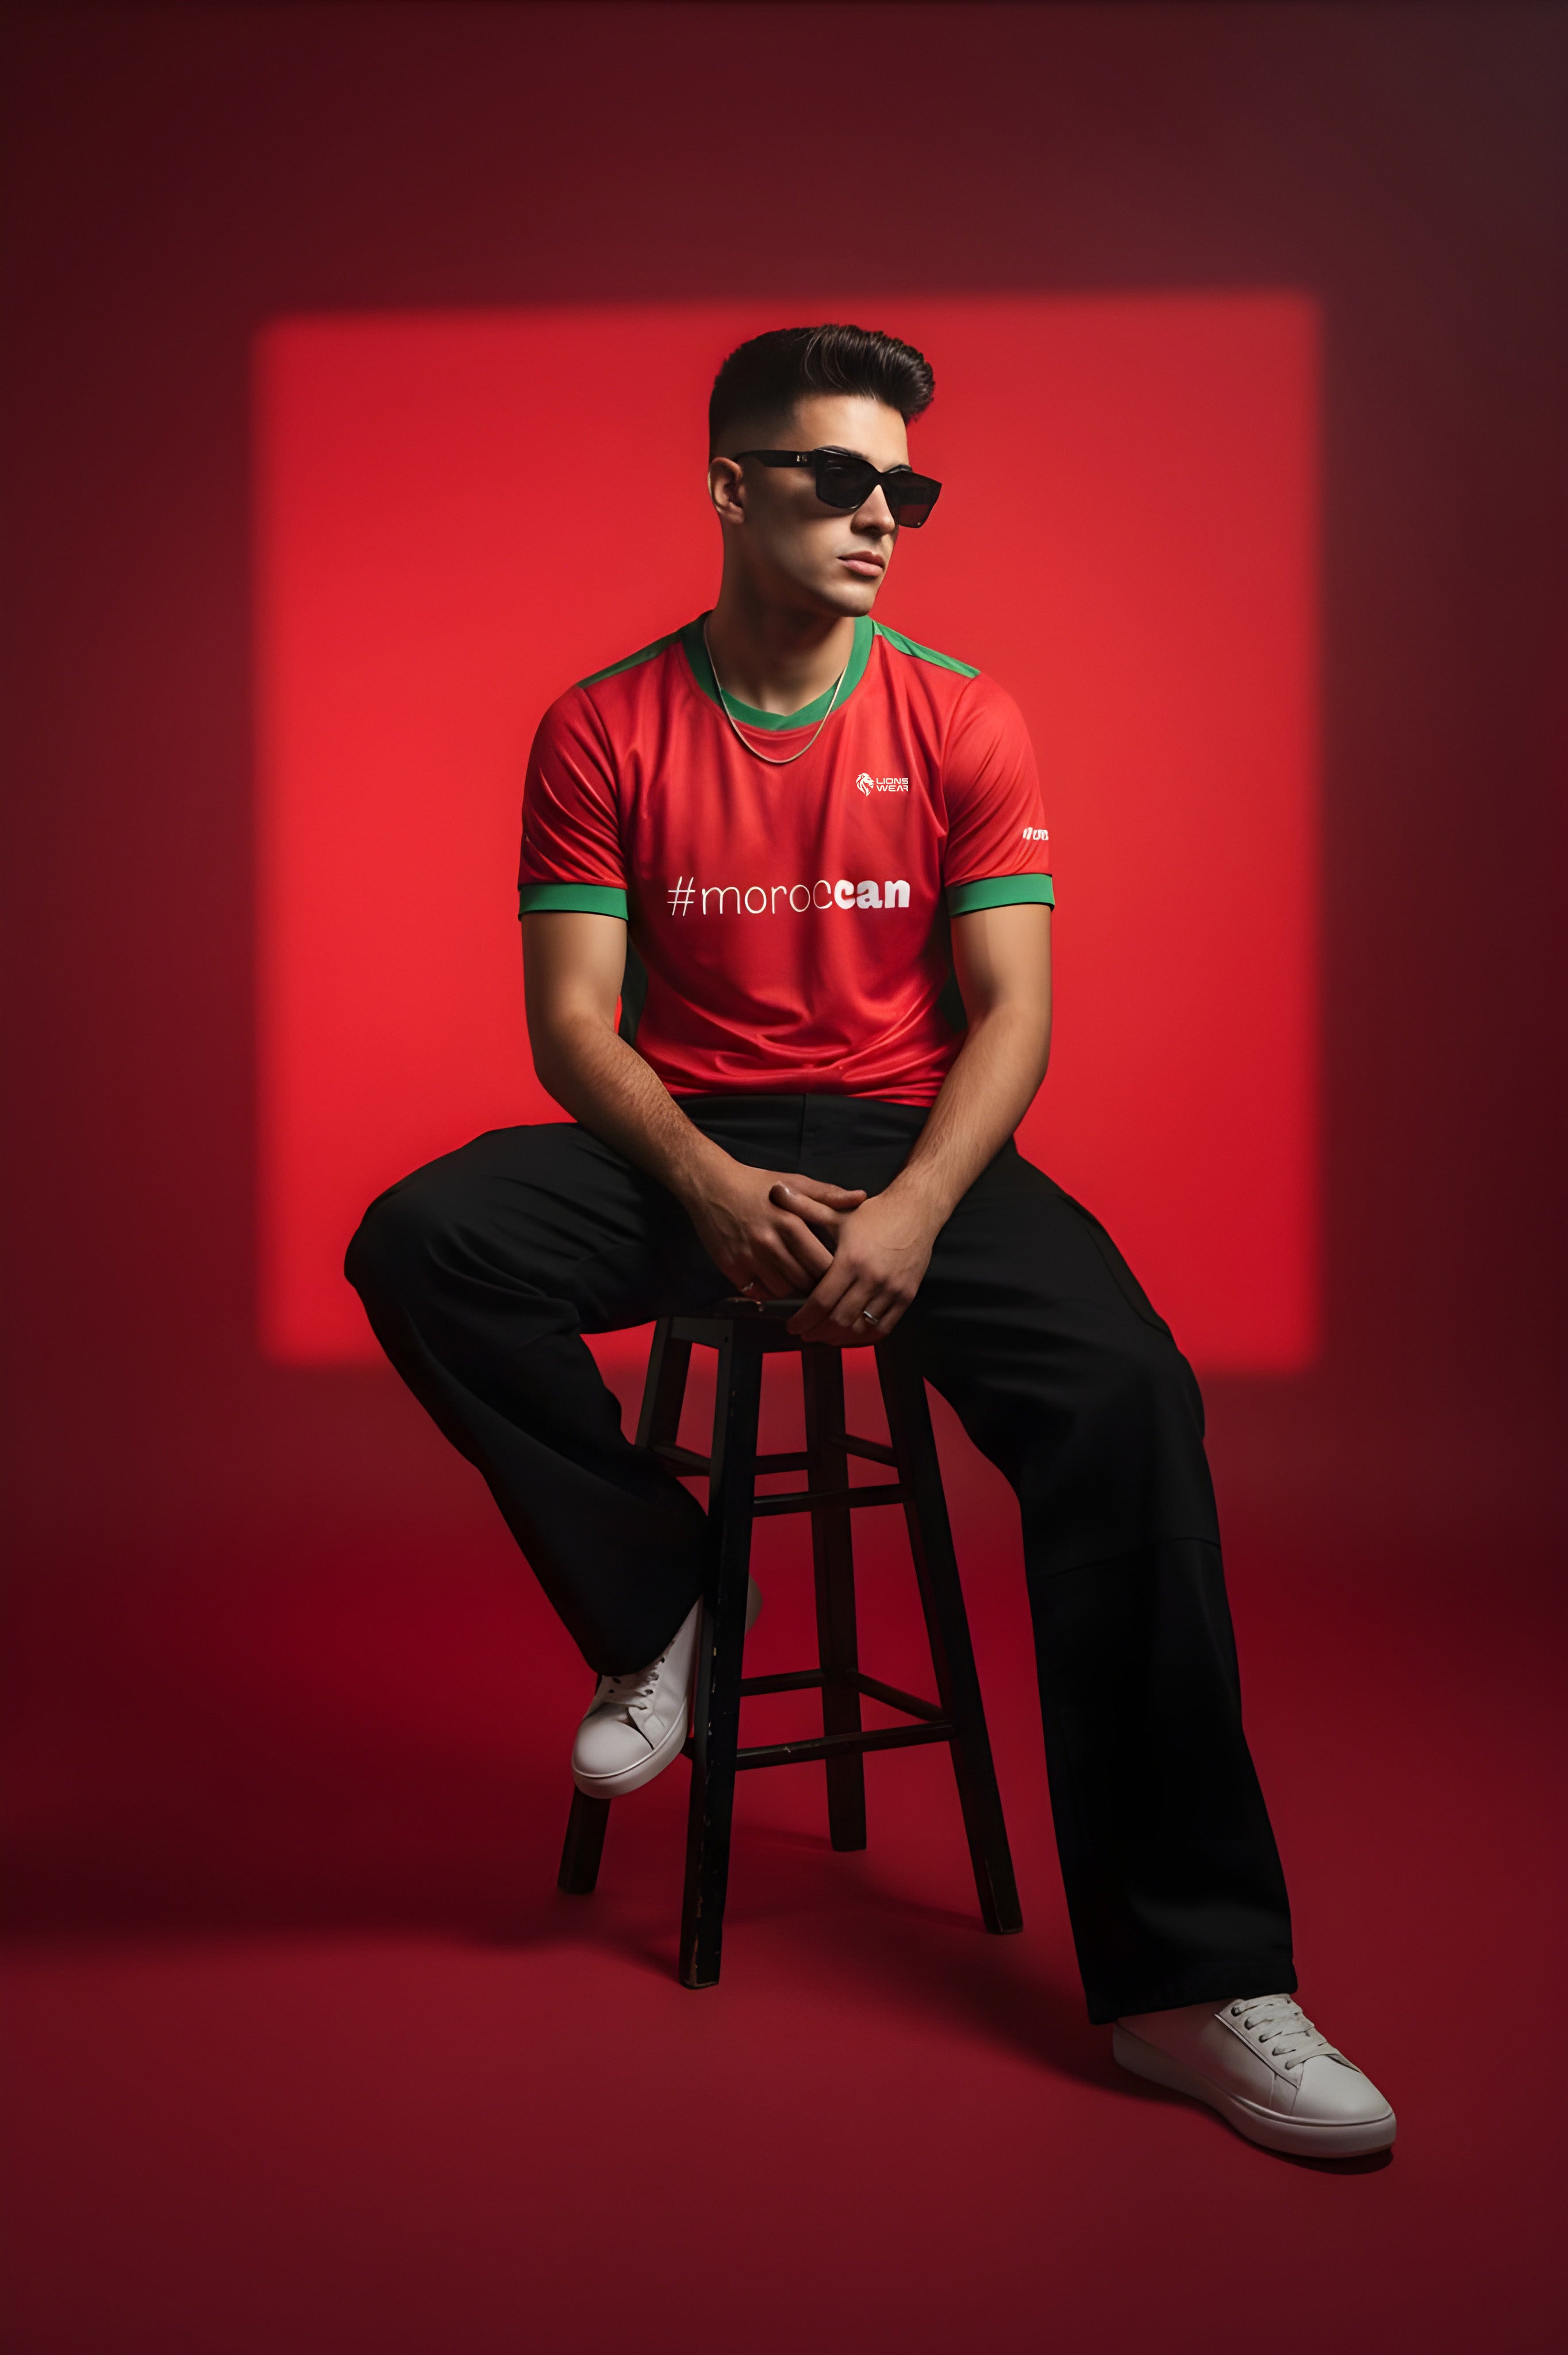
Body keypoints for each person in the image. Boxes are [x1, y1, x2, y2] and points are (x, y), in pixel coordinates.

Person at [346, 323, 1393, 2159]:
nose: (880, 514)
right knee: (423, 1242)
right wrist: (704, 1183)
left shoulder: (962, 715)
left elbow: (1016, 1016)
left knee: (1132, 1399)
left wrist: (913, 1215)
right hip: (695, 1138)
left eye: (905, 485)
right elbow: (574, 1025)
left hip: (917, 1143)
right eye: (838, 476)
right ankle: (665, 1601)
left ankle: (1193, 1986)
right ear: (729, 485)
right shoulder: (604, 724)